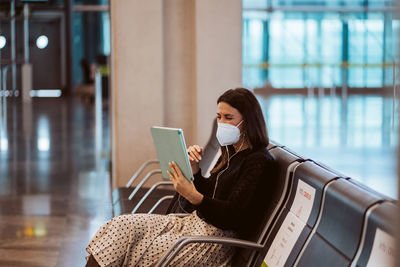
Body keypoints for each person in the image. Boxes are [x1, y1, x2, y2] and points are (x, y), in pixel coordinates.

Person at [85, 88, 277, 267]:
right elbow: (213, 191)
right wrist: (194, 170)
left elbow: (233, 215)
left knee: (138, 250)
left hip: (213, 241)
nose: (222, 123)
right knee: (120, 227)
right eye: (219, 117)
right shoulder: (230, 151)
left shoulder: (258, 162)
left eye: (228, 117)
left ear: (249, 121)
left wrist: (194, 196)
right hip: (192, 224)